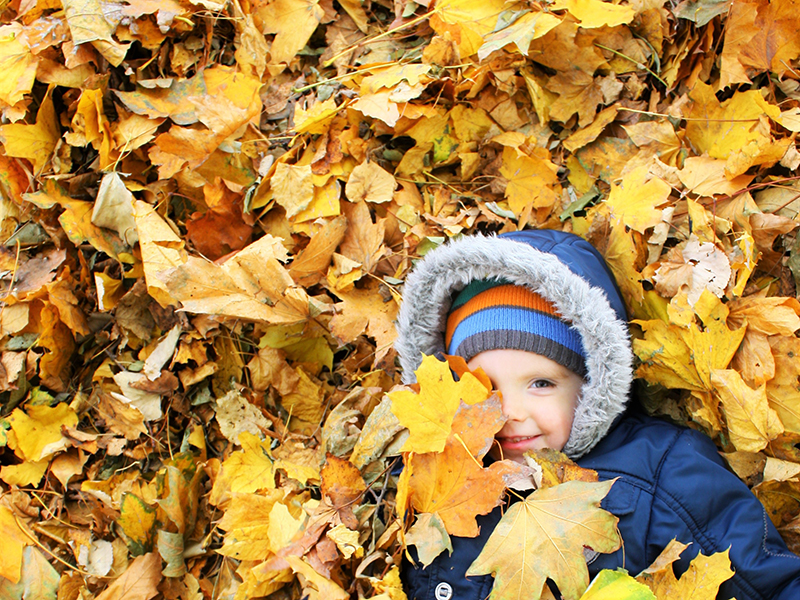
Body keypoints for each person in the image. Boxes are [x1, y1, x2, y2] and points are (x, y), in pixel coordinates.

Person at [394, 229, 800, 600]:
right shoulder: (426, 480)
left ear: (591, 384)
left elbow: (768, 583)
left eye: (541, 383)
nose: (510, 411)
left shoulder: (662, 471)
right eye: (487, 388)